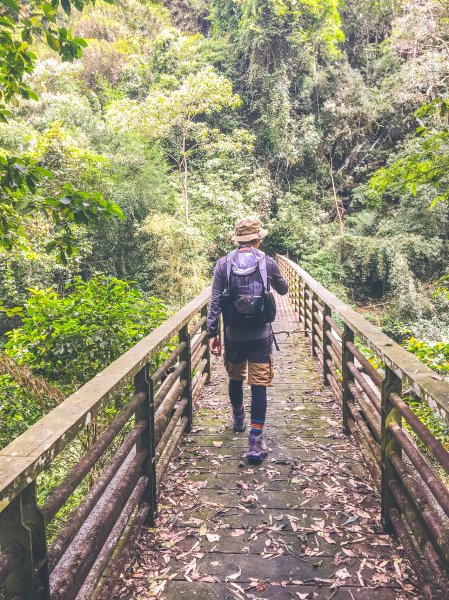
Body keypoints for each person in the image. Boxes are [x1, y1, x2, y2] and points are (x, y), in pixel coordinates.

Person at [207, 217, 288, 462]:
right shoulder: (267, 262)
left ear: (237, 239)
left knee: (235, 377)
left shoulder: (223, 264)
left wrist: (213, 333)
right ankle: (255, 443)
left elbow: (216, 300)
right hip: (261, 334)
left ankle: (238, 418)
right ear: (258, 238)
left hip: (233, 334)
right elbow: (283, 290)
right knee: (258, 384)